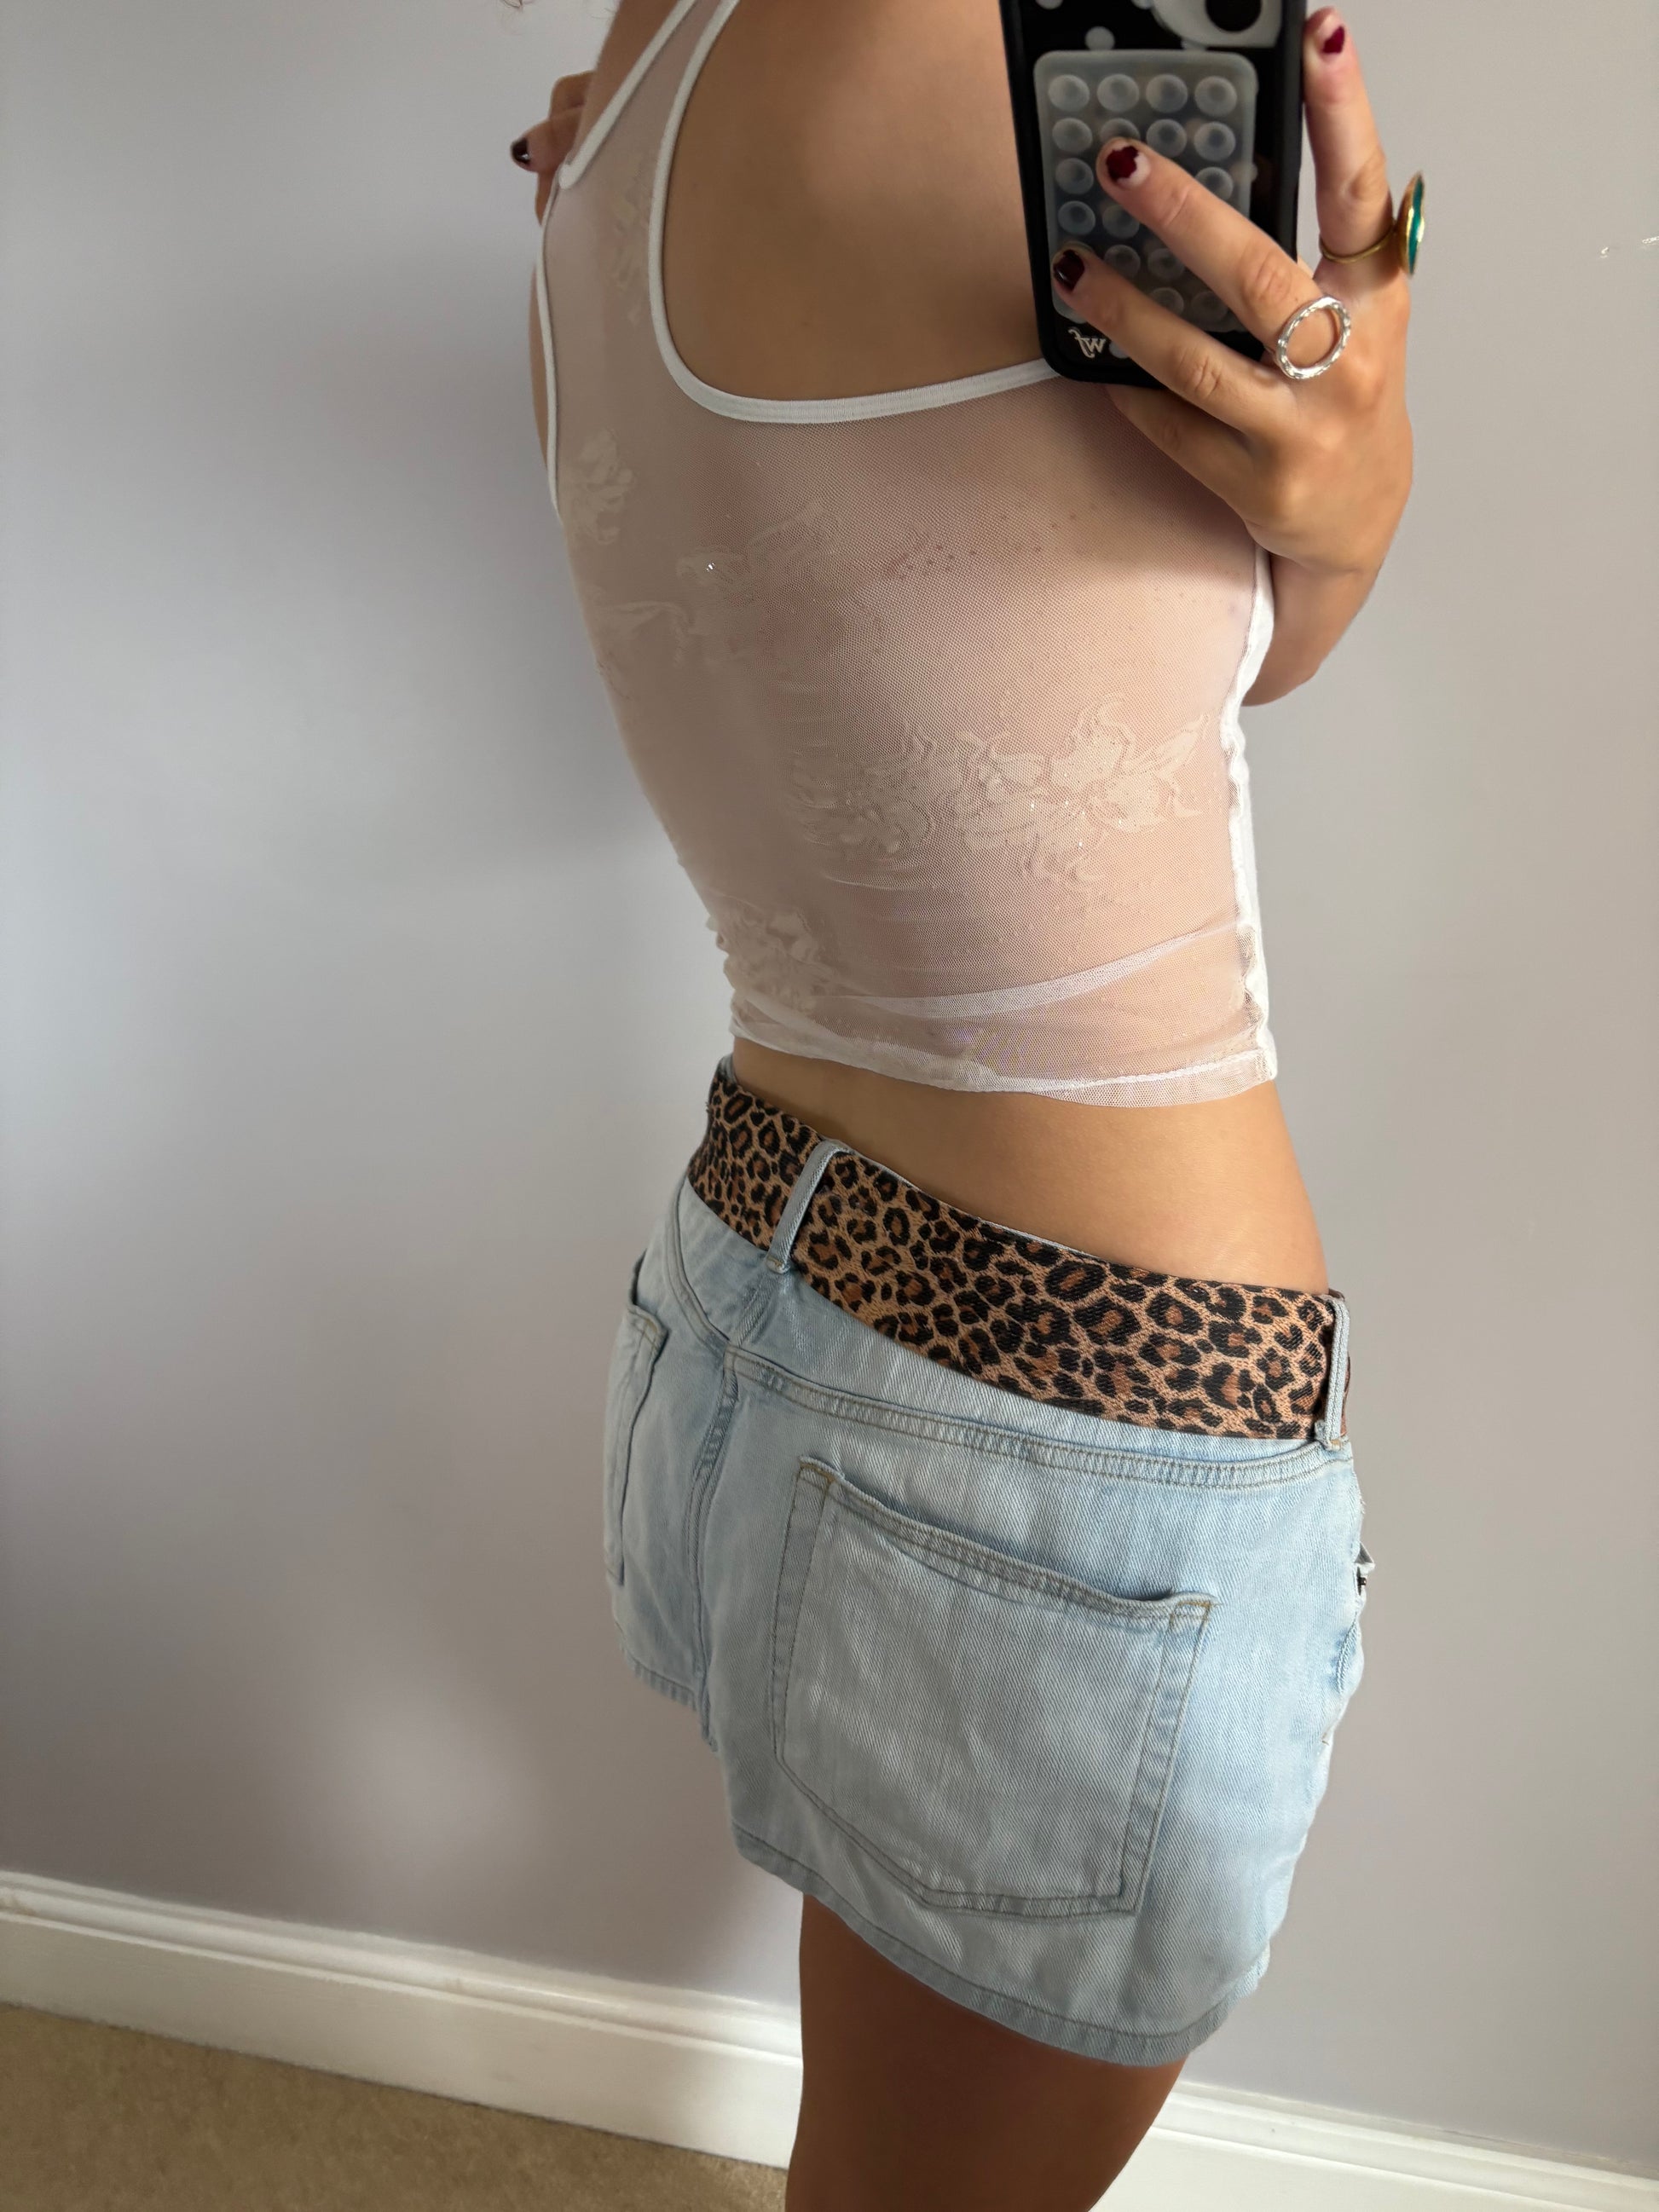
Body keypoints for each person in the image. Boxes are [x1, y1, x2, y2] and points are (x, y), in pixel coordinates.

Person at [513, 3, 1412, 2203]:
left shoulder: (638, 61)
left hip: (758, 1274)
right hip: (1079, 1432)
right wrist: (1362, 498)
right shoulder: (1037, 47)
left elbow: (1088, 635)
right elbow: (1244, 650)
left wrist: (1325, 497)